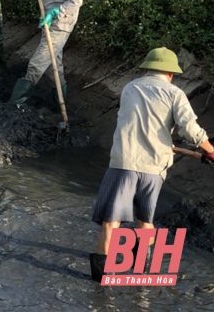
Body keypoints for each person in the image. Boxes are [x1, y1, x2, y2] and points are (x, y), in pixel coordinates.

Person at [89, 47, 214, 281]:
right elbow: (190, 129)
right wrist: (210, 150)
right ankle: (142, 270)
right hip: (155, 167)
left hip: (124, 162)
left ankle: (101, 281)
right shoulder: (175, 93)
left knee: (111, 220)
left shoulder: (129, 88)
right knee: (145, 220)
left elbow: (131, 120)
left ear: (147, 68)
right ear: (170, 73)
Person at [9, 0, 83, 105]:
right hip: (49, 23)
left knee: (37, 62)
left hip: (60, 24)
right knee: (53, 66)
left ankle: (15, 103)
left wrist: (55, 12)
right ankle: (60, 105)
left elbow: (76, 0)